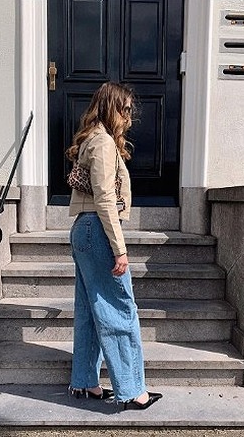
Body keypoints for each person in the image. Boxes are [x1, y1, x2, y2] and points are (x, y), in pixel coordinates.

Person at [65, 81, 162, 410]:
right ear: (111, 108)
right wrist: (119, 249)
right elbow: (105, 198)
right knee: (120, 310)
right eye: (126, 110)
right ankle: (133, 389)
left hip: (83, 229)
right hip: (98, 230)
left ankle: (85, 382)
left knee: (90, 311)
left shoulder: (91, 139)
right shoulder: (104, 142)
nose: (129, 117)